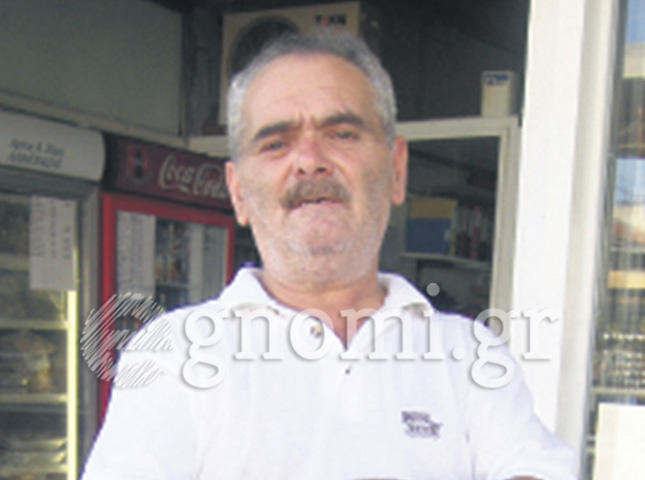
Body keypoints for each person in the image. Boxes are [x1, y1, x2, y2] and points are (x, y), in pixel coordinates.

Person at [82, 29, 577, 480]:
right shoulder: (172, 354)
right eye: (275, 143)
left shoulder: (468, 354)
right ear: (238, 192)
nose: (310, 161)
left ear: (397, 170)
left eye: (342, 134)